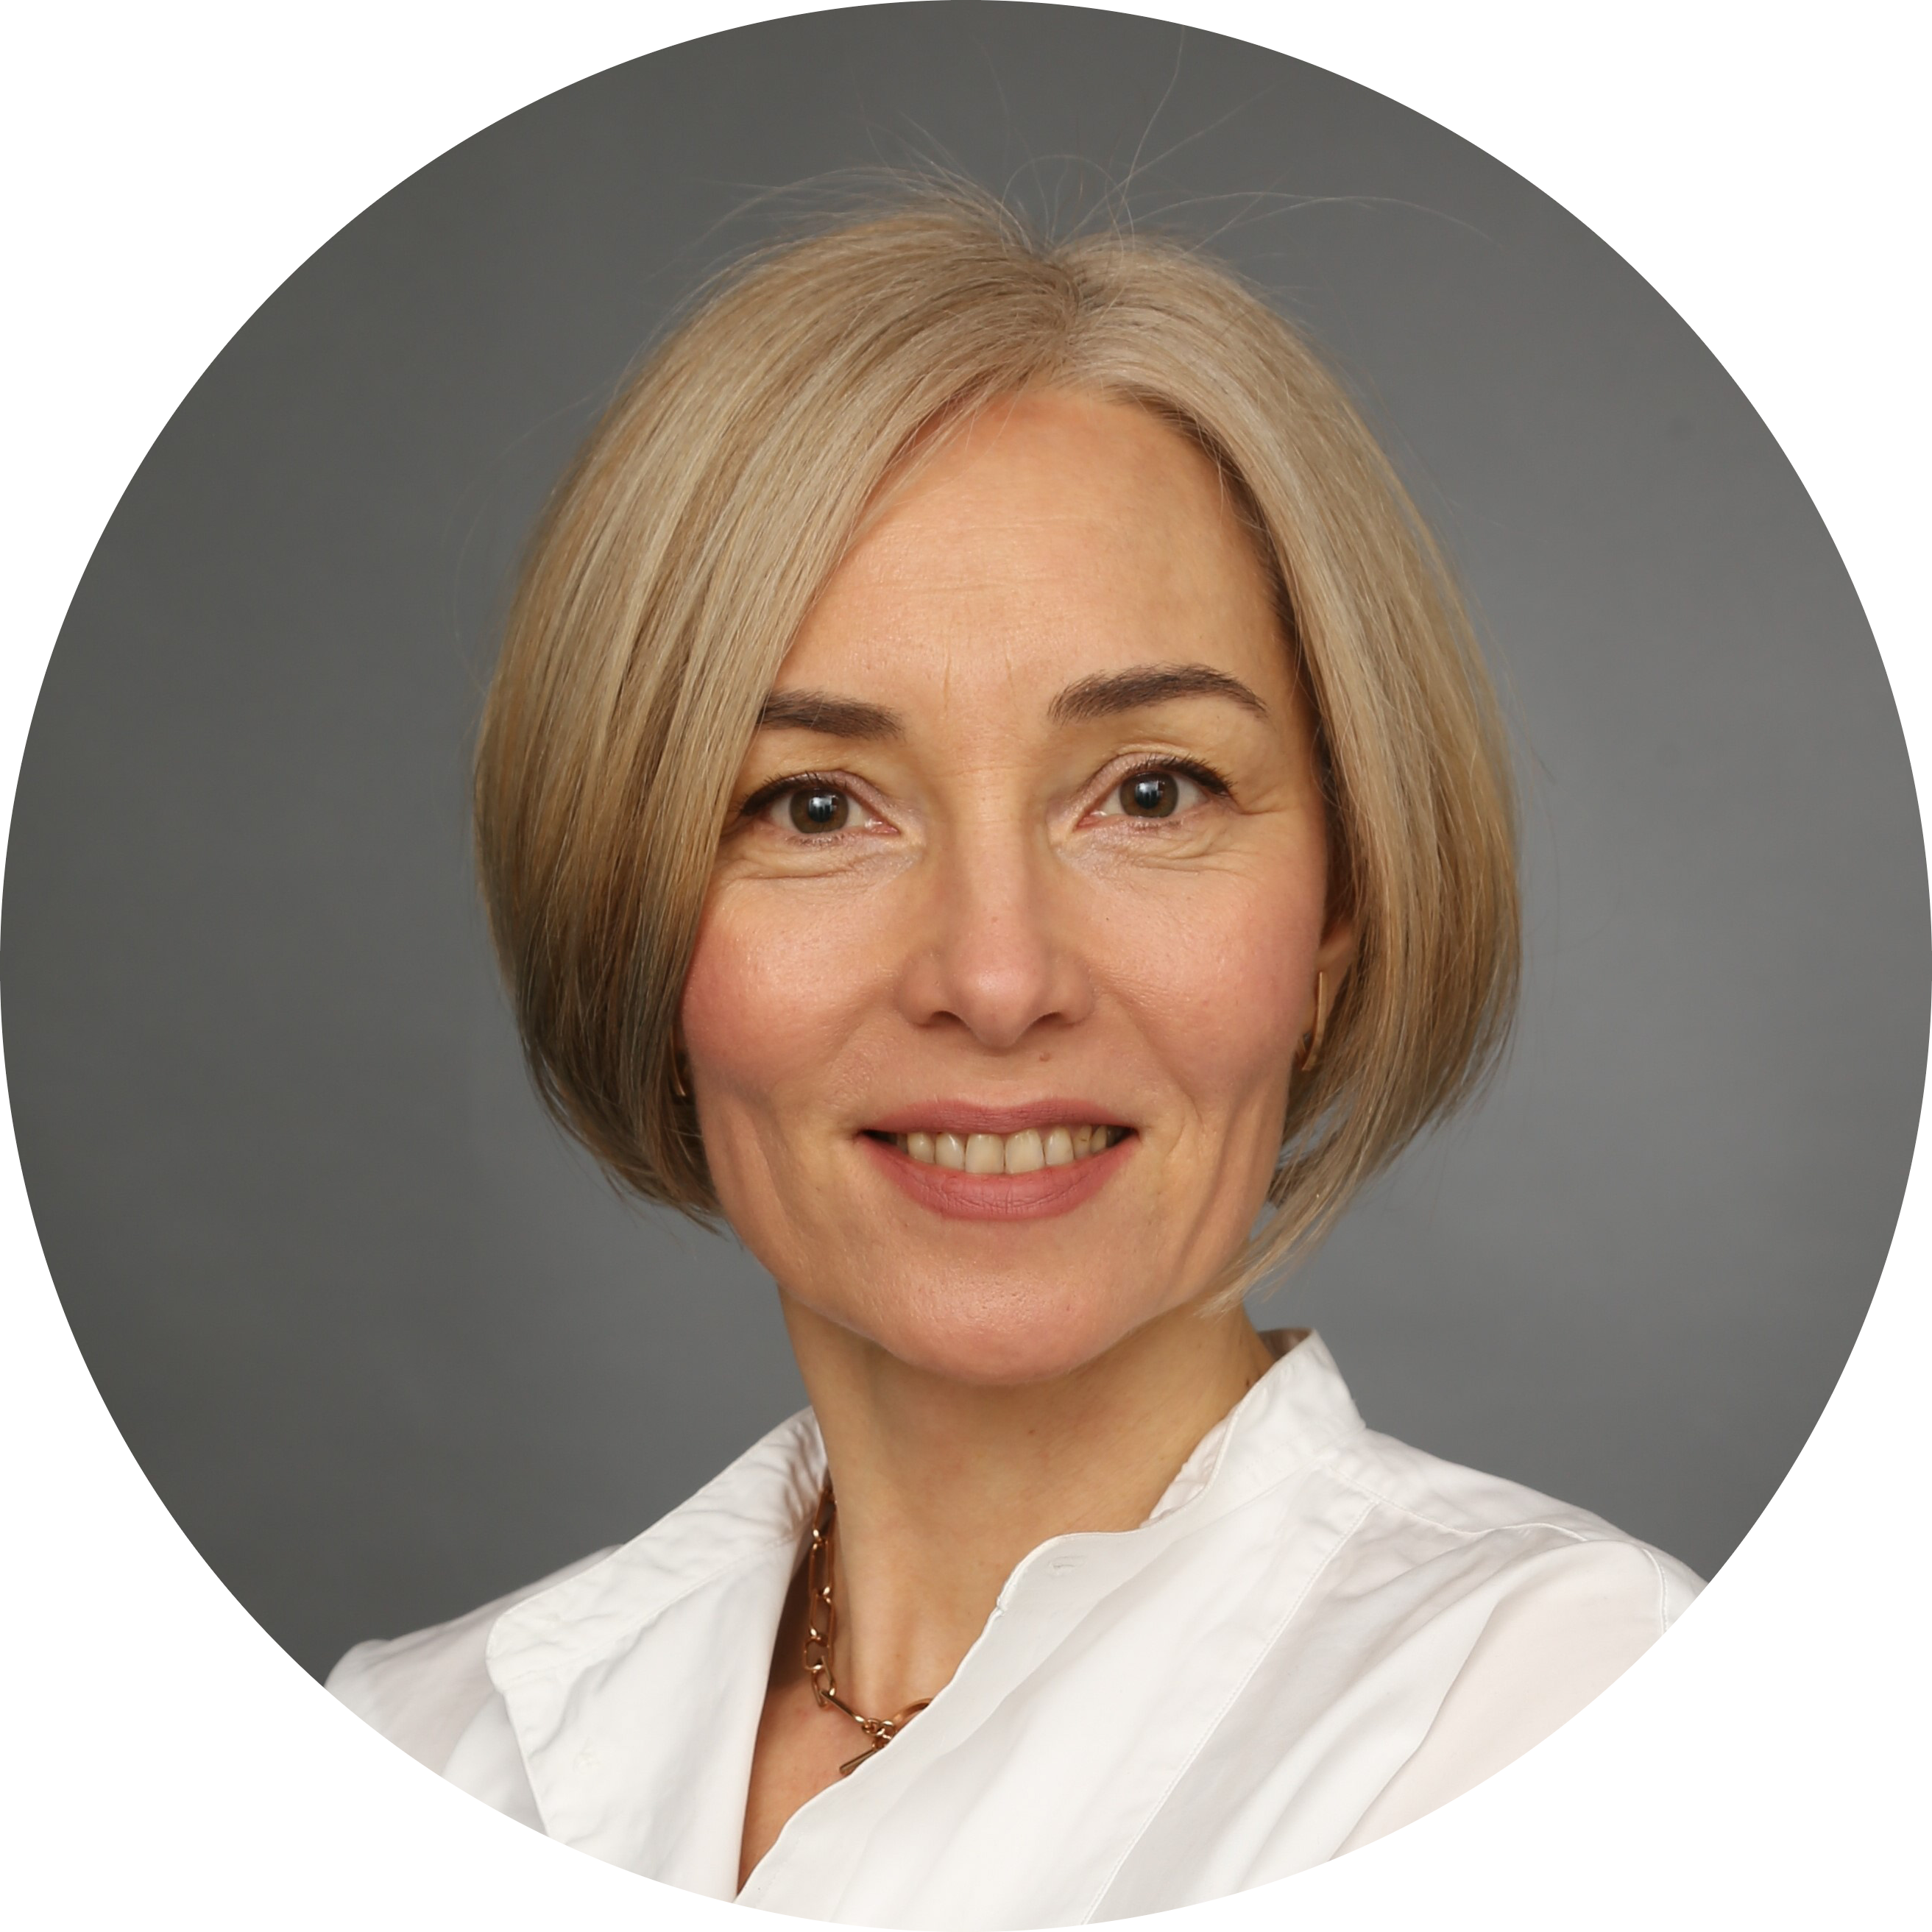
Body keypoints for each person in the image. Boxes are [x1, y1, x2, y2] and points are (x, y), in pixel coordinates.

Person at [328, 188, 1701, 1917]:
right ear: (629, 917)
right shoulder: (430, 1730)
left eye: (1151, 791)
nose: (994, 977)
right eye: (813, 806)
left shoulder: (1539, 1696)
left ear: (1339, 910)